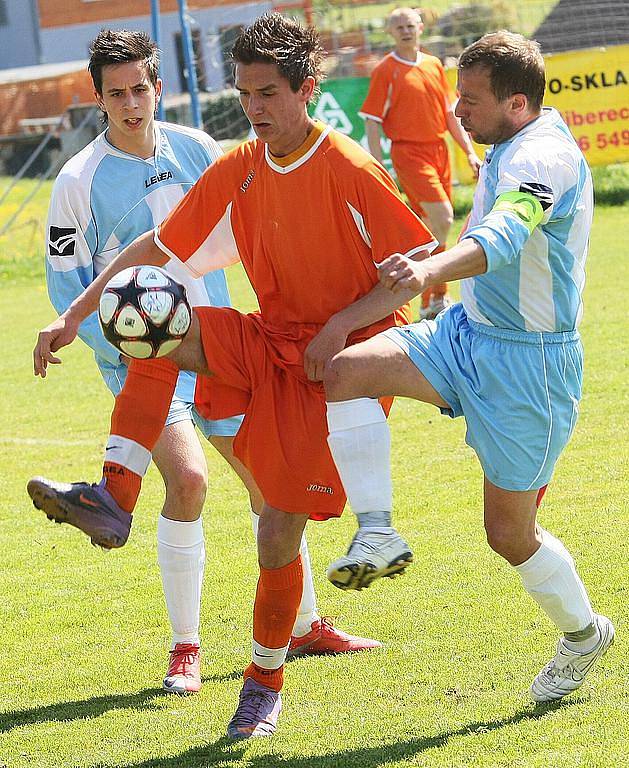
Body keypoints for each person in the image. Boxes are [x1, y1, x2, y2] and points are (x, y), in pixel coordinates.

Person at [30, 27, 380, 699]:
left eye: (140, 89)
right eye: (115, 94)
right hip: (144, 364)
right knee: (188, 482)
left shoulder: (200, 149)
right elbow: (63, 284)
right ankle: (185, 647)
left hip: (221, 349)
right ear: (96, 97)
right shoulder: (78, 181)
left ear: (156, 86)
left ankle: (303, 626)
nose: (131, 105)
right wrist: (126, 345)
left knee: (273, 491)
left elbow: (244, 232)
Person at [322, 31, 614, 703]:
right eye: (457, 93)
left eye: (471, 99)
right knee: (344, 372)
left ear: (517, 103)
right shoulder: (509, 140)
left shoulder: (541, 157)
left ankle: (582, 634)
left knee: (507, 535)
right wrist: (439, 277)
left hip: (528, 368)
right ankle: (376, 533)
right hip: (462, 334)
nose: (457, 109)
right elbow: (486, 231)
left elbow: (507, 234)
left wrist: (427, 267)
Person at [360, 7, 481, 320]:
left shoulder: (433, 64)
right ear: (390, 32)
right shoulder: (386, 70)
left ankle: (430, 298)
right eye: (398, 26)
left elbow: (448, 114)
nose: (405, 30)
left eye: (410, 25)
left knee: (432, 225)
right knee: (442, 217)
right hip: (409, 154)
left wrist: (468, 151)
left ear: (421, 28)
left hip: (439, 151)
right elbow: (372, 121)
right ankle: (431, 294)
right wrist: (379, 166)